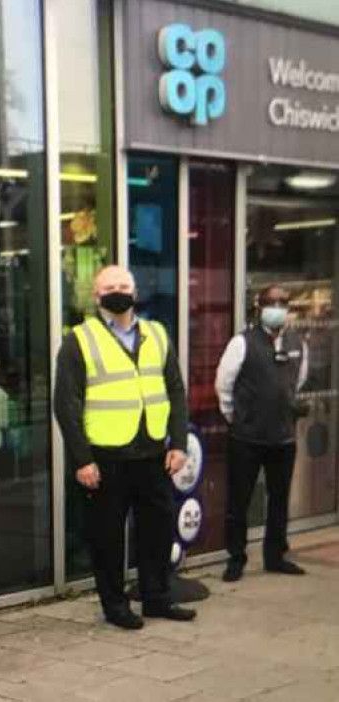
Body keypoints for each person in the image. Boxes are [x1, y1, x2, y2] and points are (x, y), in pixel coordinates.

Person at [54, 265, 195, 630]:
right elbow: (65, 404)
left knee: (158, 531)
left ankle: (157, 598)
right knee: (107, 538)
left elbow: (176, 390)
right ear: (96, 296)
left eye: (124, 285)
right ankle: (115, 606)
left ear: (135, 291)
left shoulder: (157, 333)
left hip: (153, 453)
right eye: (109, 287)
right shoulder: (78, 340)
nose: (118, 291)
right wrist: (81, 459)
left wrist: (178, 443)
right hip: (106, 456)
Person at [215, 284, 307, 582]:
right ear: (259, 306)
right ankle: (236, 558)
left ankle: (275, 555)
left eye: (283, 303)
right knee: (239, 500)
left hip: (283, 437)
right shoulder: (242, 342)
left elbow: (297, 382)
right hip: (247, 438)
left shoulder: (297, 343)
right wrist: (235, 417)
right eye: (271, 302)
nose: (277, 307)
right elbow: (224, 385)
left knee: (279, 499)